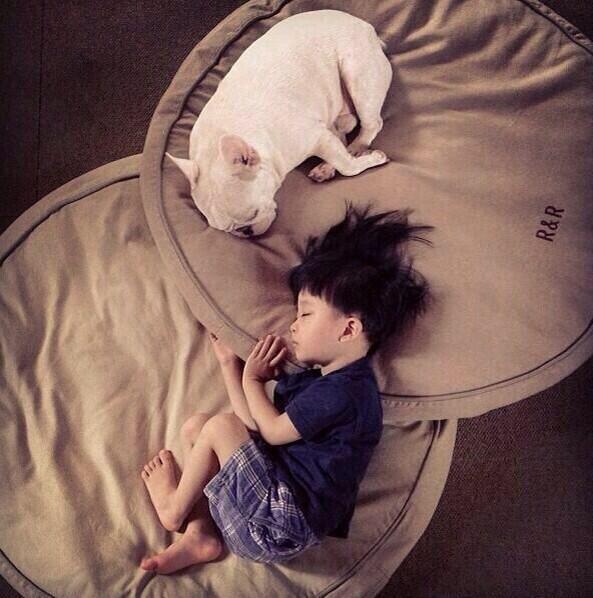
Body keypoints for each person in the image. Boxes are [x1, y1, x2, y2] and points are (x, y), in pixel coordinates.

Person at [139, 205, 432, 574]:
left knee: (218, 428)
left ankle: (174, 510)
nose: (293, 326)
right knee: (200, 427)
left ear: (348, 330)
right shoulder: (320, 381)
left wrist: (253, 380)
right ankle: (202, 535)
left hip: (283, 522)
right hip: (269, 506)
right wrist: (230, 365)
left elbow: (273, 432)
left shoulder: (349, 391)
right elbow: (252, 427)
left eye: (305, 314)